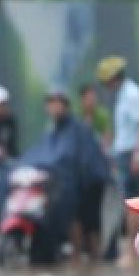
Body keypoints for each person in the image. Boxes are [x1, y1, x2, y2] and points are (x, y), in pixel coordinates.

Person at [40, 85, 110, 264]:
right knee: (75, 222)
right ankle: (77, 260)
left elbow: (80, 158)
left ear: (65, 106)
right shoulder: (54, 131)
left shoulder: (77, 129)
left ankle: (92, 261)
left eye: (58, 104)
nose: (54, 108)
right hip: (72, 184)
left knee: (89, 225)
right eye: (51, 104)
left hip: (89, 182)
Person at [97, 56, 139, 267]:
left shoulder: (131, 94)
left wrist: (138, 154)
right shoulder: (123, 95)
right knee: (131, 205)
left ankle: (133, 253)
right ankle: (133, 251)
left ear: (113, 79)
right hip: (124, 154)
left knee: (134, 205)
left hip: (130, 155)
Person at [79, 83, 112, 151]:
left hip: (99, 150)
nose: (92, 100)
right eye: (88, 97)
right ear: (82, 99)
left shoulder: (102, 114)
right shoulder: (78, 115)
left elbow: (107, 135)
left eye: (93, 97)